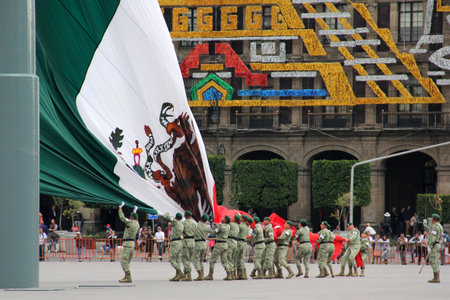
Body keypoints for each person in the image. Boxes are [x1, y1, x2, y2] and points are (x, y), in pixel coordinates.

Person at [204, 216, 232, 281]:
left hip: (219, 244)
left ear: (225, 221)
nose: (222, 218)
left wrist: (211, 228)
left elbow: (214, 232)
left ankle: (210, 275)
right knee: (224, 260)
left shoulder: (221, 226)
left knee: (212, 260)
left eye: (224, 218)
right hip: (225, 244)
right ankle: (229, 274)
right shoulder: (228, 227)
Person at [118, 203, 140, 283]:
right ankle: (126, 275)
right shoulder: (137, 224)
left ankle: (128, 276)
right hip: (132, 244)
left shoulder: (130, 223)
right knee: (127, 261)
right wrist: (135, 210)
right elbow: (134, 218)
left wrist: (120, 208)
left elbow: (122, 218)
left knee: (124, 260)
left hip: (127, 244)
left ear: (131, 217)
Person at [424, 214, 443, 283]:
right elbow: (431, 232)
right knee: (436, 260)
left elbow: (432, 237)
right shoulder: (439, 226)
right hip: (437, 244)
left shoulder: (435, 227)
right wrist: (425, 226)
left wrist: (430, 245)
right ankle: (436, 276)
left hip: (434, 245)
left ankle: (436, 277)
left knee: (433, 260)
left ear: (434, 219)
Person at [167, 212, 184, 281]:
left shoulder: (176, 222)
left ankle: (180, 272)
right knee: (177, 260)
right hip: (180, 242)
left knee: (171, 259)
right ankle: (177, 276)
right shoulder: (181, 224)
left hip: (175, 242)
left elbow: (167, 217)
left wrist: (167, 213)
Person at [192, 214, 210, 280]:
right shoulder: (207, 226)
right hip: (204, 243)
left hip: (197, 243)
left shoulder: (197, 225)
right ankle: (202, 273)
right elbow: (212, 232)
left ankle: (200, 274)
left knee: (195, 259)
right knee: (201, 260)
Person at [181, 210, 196, 281]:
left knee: (184, 258)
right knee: (189, 259)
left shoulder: (183, 223)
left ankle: (189, 275)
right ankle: (185, 274)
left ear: (185, 216)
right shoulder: (194, 223)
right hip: (192, 241)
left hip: (186, 241)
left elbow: (181, 231)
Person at [236, 215, 251, 280]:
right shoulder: (247, 226)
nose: (240, 218)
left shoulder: (241, 226)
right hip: (244, 242)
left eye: (241, 218)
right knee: (241, 258)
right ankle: (244, 274)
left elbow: (236, 233)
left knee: (238, 258)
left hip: (240, 242)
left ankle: (240, 274)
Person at [227, 215, 239, 280]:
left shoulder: (231, 224)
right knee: (233, 259)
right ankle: (234, 274)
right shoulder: (237, 226)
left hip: (230, 241)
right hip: (235, 242)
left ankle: (230, 274)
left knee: (229, 258)